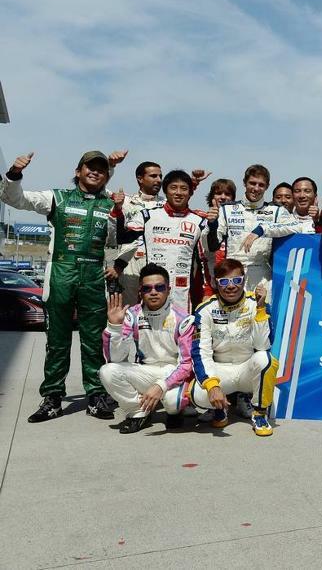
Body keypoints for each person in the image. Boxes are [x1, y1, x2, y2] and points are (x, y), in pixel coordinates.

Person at [2, 149, 127, 422]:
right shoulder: (56, 197)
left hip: (94, 275)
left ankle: (95, 396)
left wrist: (117, 263)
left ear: (107, 175)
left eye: (101, 169)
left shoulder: (111, 205)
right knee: (57, 341)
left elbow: (124, 238)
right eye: (89, 167)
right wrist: (14, 173)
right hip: (60, 272)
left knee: (93, 340)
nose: (95, 172)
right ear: (78, 171)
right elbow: (13, 198)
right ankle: (53, 398)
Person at [100, 264, 195, 433]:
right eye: (147, 288)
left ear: (168, 289)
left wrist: (162, 386)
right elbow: (115, 358)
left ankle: (174, 411)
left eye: (159, 287)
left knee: (174, 403)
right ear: (140, 291)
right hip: (146, 371)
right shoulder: (131, 315)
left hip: (173, 372)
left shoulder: (184, 319)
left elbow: (187, 364)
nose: (153, 292)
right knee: (107, 371)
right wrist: (114, 327)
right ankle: (138, 411)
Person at [190, 258, 278, 436]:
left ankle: (259, 412)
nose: (231, 286)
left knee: (265, 359)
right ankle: (219, 408)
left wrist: (261, 309)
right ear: (215, 283)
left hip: (247, 368)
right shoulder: (205, 309)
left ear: (244, 280)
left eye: (236, 280)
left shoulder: (257, 303)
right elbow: (201, 353)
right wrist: (212, 386)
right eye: (224, 282)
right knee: (196, 394)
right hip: (220, 370)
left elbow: (263, 345)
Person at [115, 170, 209, 312]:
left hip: (183, 294)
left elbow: (207, 258)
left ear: (190, 193)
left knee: (179, 332)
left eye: (184, 189)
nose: (178, 193)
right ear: (165, 191)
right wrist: (118, 210)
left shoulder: (200, 221)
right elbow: (123, 238)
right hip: (152, 290)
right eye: (173, 188)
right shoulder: (148, 216)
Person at [208, 164, 303, 291]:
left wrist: (262, 229)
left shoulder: (276, 210)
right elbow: (213, 246)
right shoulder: (227, 209)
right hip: (233, 275)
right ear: (244, 183)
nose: (256, 188)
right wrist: (213, 225)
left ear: (267, 187)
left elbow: (298, 227)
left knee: (262, 311)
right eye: (252, 183)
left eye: (261, 185)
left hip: (262, 276)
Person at [113, 161, 163, 305]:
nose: (158, 180)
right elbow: (99, 189)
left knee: (157, 308)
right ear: (140, 178)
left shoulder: (166, 205)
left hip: (157, 261)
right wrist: (111, 165)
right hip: (129, 263)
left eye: (160, 176)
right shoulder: (126, 201)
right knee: (129, 310)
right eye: (153, 176)